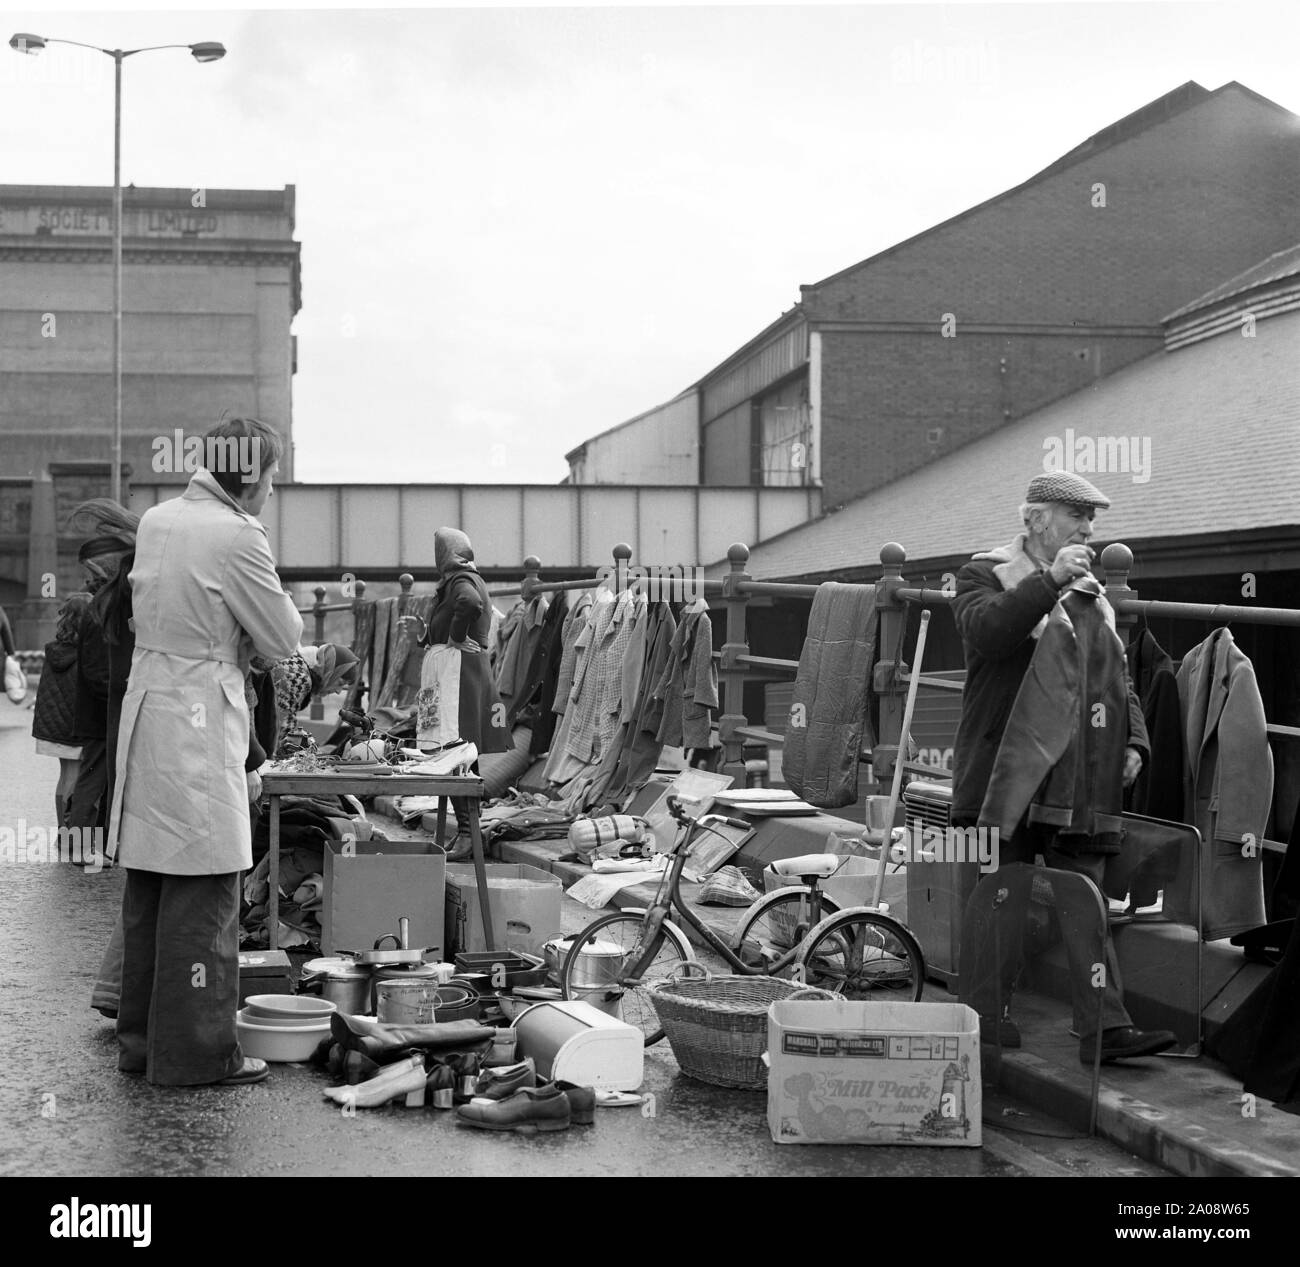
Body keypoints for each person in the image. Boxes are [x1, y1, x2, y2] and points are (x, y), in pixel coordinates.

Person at [951, 471, 1176, 1065]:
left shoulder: (1091, 592)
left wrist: (1134, 738)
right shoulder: (982, 573)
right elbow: (988, 633)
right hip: (1004, 766)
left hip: (1076, 773)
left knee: (1087, 899)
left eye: (1091, 518)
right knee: (998, 894)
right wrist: (1048, 582)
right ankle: (982, 1018)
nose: (1089, 529)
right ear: (1036, 519)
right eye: (1077, 515)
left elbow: (1115, 674)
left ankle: (1104, 1027)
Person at [108, 417, 302, 1086]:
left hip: (150, 708)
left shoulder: (157, 519)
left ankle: (139, 1041)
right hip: (197, 714)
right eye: (272, 476)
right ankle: (194, 1054)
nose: (273, 490)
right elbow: (281, 635)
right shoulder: (238, 535)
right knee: (206, 888)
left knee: (152, 884)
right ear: (249, 477)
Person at [403, 527, 509, 861]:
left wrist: (455, 635)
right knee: (462, 754)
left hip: (459, 675)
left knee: (457, 752)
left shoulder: (460, 582)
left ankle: (468, 833)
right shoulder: (467, 578)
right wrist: (428, 633)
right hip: (463, 672)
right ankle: (468, 832)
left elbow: (470, 604)